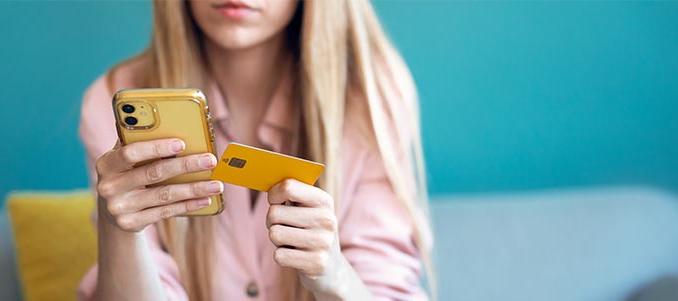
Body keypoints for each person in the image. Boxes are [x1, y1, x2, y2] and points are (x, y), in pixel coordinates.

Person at [77, 1, 433, 300]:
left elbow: (386, 285)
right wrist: (119, 233)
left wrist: (335, 276)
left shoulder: (371, 98)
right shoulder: (112, 100)